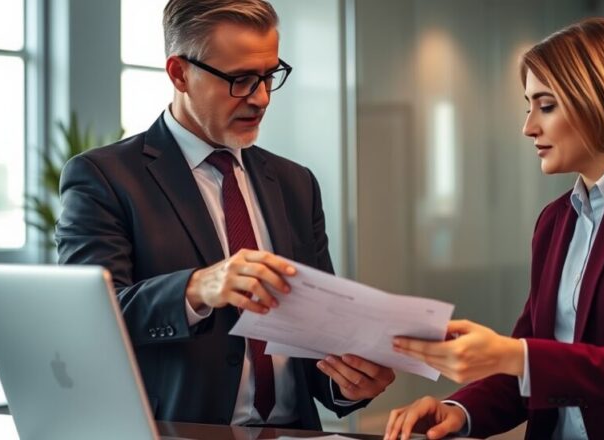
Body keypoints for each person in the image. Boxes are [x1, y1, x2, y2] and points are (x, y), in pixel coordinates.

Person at [385, 18, 604, 440]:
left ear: (602, 101)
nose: (528, 126)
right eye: (528, 106)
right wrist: (459, 410)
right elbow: (534, 370)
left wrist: (512, 355)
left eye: (547, 105)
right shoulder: (555, 221)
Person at [56, 0, 394, 429]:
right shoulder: (104, 178)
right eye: (241, 80)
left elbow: (316, 341)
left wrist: (347, 384)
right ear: (179, 73)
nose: (262, 98)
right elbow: (91, 321)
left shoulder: (296, 184)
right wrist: (197, 288)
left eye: (270, 75)